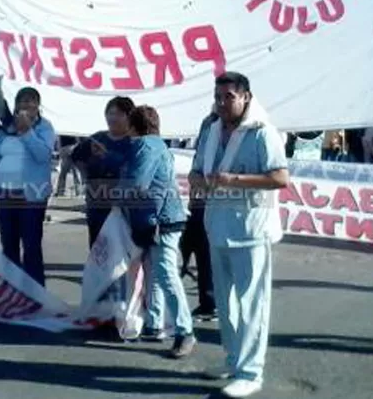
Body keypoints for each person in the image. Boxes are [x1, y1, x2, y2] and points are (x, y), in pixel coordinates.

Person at [188, 72, 290, 399]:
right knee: (226, 304)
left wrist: (234, 179)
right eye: (218, 97)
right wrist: (199, 181)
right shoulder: (210, 129)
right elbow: (194, 171)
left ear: (245, 96)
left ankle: (251, 372)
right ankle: (233, 360)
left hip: (251, 230)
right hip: (216, 227)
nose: (221, 103)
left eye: (228, 97)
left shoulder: (262, 132)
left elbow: (279, 177)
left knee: (252, 305)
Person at [120, 105, 197, 358]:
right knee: (156, 274)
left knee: (165, 274)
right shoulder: (158, 145)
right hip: (163, 216)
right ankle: (154, 323)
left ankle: (185, 331)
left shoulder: (144, 146)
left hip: (158, 219)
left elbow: (137, 184)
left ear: (134, 126)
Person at [0, 87, 56, 286]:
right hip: (6, 193)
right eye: (21, 101)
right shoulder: (6, 127)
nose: (25, 105)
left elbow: (43, 155)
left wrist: (27, 131)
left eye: (31, 101)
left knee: (31, 246)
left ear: (38, 106)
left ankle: (36, 295)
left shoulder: (44, 128)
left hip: (32, 195)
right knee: (9, 245)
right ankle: (11, 292)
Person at [70, 96, 136, 247]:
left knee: (121, 250)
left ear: (129, 116)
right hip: (96, 204)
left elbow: (132, 169)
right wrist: (86, 176)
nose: (113, 118)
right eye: (110, 113)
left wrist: (107, 156)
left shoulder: (134, 142)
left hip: (123, 206)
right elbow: (75, 157)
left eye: (118, 114)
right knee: (97, 248)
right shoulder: (97, 138)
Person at [180, 106, 219, 321]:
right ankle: (207, 300)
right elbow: (199, 155)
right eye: (217, 97)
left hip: (215, 195)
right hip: (198, 195)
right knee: (191, 244)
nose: (220, 102)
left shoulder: (232, 127)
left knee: (205, 248)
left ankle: (210, 301)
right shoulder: (208, 122)